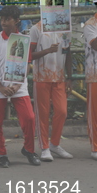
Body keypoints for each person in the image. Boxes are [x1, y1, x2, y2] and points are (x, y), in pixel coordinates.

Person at [0, 5, 40, 168]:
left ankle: (29, 150)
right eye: (2, 19)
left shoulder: (24, 40)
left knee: (29, 118)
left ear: (16, 21)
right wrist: (0, 86)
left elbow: (27, 65)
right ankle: (1, 154)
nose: (3, 22)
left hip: (18, 86)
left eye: (7, 19)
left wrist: (16, 86)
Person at [30, 22, 73, 161]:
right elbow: (29, 55)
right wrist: (47, 50)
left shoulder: (65, 27)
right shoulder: (36, 29)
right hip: (41, 77)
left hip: (59, 77)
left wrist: (70, 77)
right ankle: (44, 147)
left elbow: (68, 52)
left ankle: (54, 144)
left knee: (62, 111)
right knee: (42, 113)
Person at [83, 10, 97, 161]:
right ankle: (95, 148)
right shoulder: (90, 25)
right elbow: (95, 46)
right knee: (95, 113)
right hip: (95, 75)